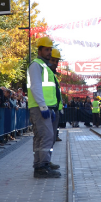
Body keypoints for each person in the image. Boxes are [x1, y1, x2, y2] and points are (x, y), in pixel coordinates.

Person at [27, 37, 61, 178]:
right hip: (40, 107)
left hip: (43, 107)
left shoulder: (43, 65)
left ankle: (40, 164)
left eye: (50, 50)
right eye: (46, 49)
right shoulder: (36, 65)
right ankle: (42, 166)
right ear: (39, 50)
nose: (49, 52)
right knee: (46, 136)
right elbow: (36, 87)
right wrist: (43, 106)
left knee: (42, 136)